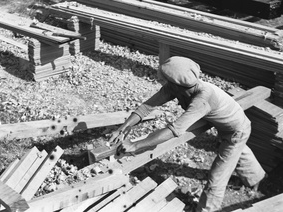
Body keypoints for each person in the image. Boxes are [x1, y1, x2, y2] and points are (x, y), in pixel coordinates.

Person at [109, 56, 266, 212]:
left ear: (177, 84)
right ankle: (257, 178)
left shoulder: (203, 98)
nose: (163, 84)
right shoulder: (178, 87)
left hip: (237, 130)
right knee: (237, 148)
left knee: (217, 177)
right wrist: (122, 128)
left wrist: (135, 145)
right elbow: (147, 107)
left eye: (166, 81)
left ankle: (207, 209)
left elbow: (175, 130)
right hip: (224, 123)